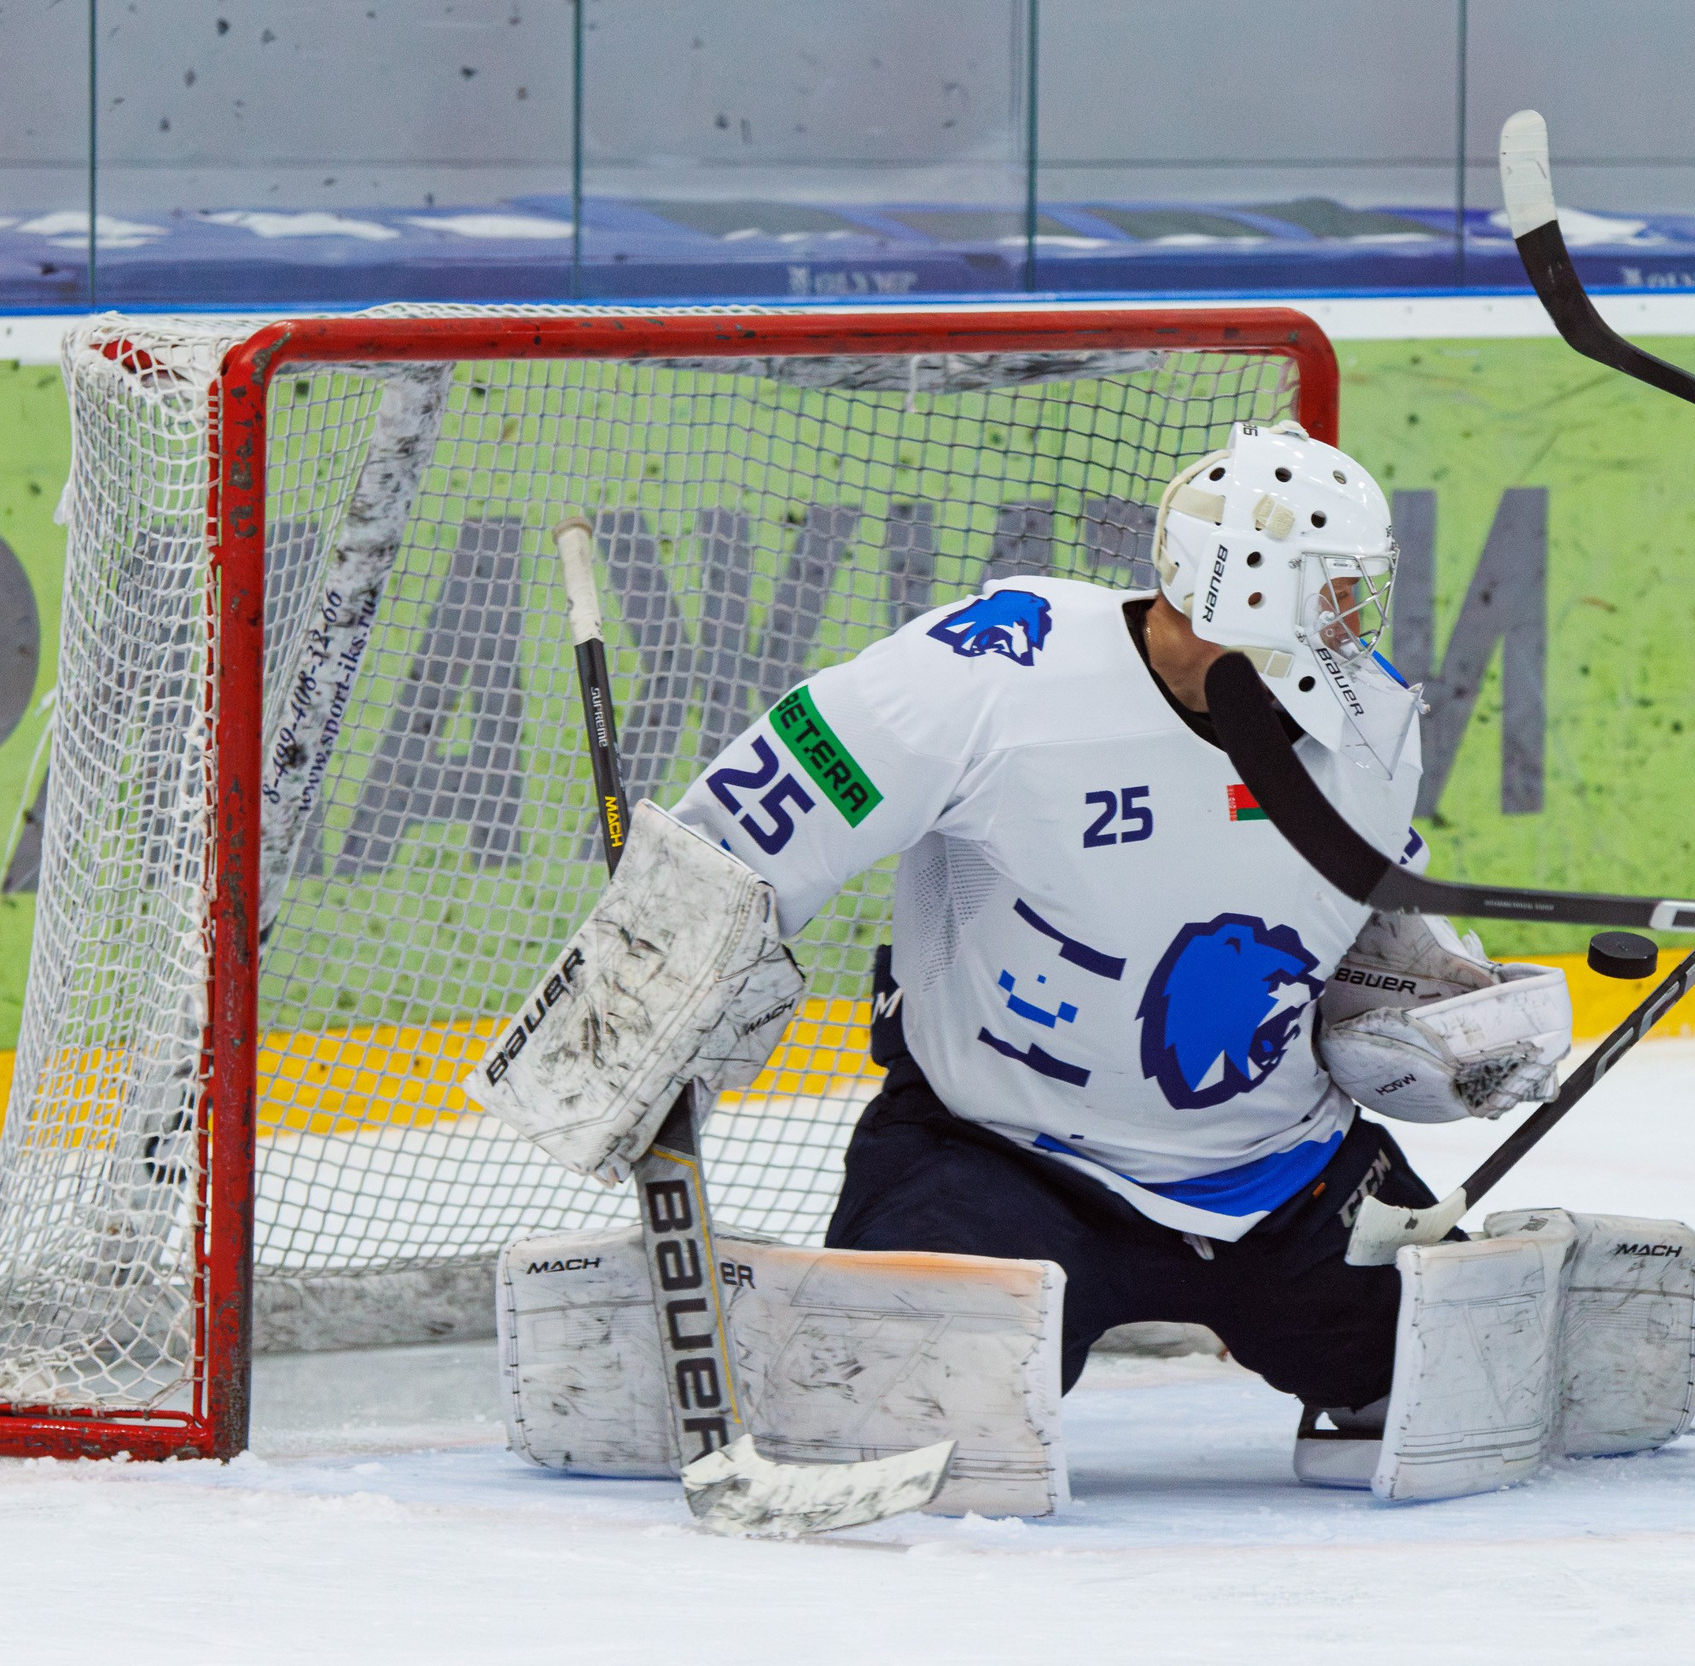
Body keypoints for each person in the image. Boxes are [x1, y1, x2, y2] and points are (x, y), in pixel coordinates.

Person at [474, 420, 1584, 1488]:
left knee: (1480, 1400)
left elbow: (1357, 928)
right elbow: (753, 829)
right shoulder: (996, 668)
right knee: (906, 1436)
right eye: (1334, 590)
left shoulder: (1371, 712)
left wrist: (1435, 1016)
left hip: (1285, 1177)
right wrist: (649, 981)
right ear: (1247, 590)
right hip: (998, 1158)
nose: (1354, 620)